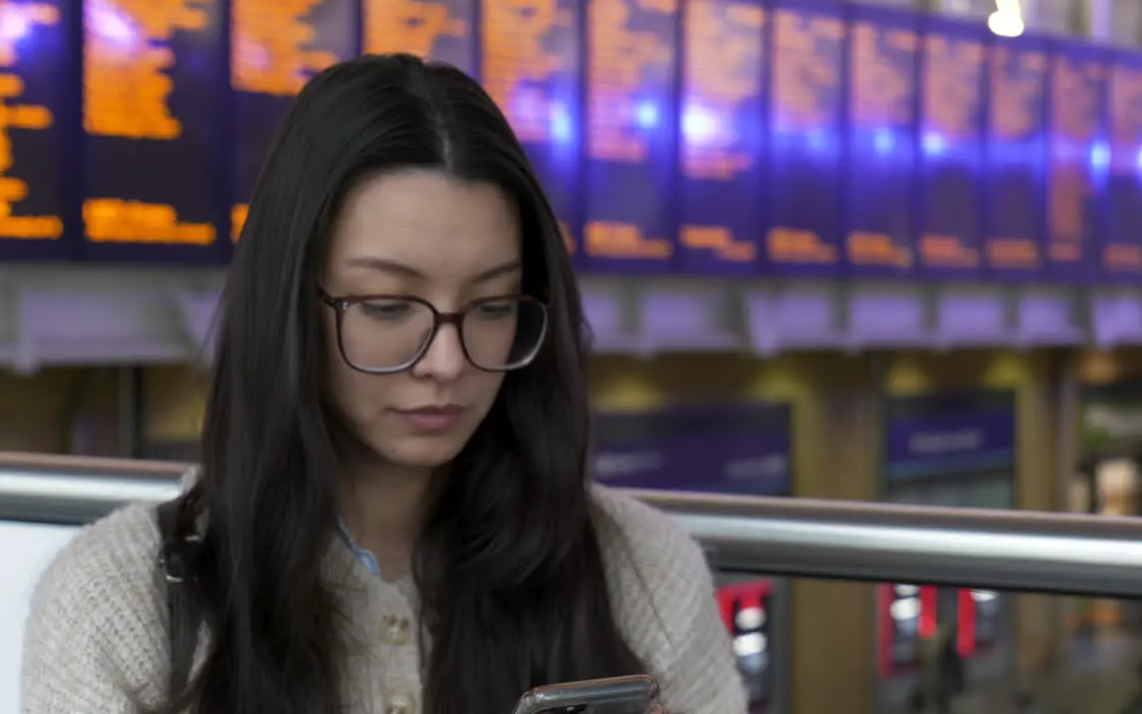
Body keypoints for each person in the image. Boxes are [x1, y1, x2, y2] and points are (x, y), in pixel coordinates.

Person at [20, 55, 747, 714]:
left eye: (492, 307)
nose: (447, 362)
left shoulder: (644, 574)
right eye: (387, 307)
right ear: (290, 306)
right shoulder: (119, 602)